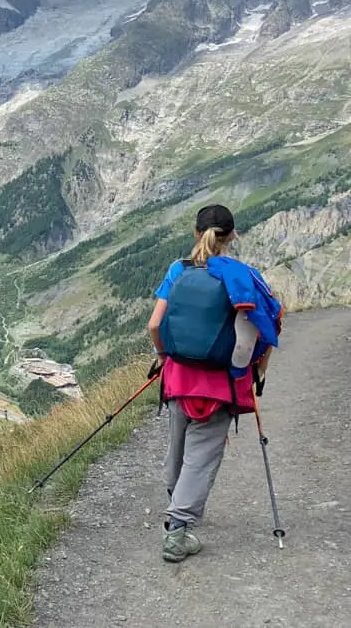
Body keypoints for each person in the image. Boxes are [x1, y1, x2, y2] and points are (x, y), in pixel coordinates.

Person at [147, 204, 283, 563]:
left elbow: (155, 325)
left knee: (178, 446)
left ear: (196, 234)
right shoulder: (243, 276)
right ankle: (177, 530)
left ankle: (177, 502)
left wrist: (163, 358)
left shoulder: (178, 271)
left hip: (177, 378)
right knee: (203, 454)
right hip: (219, 385)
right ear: (232, 236)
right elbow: (263, 331)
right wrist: (256, 373)